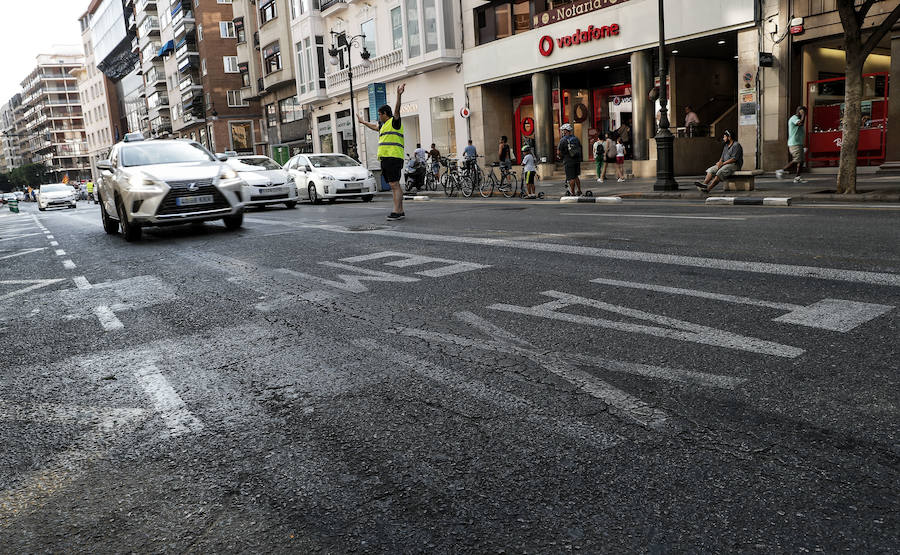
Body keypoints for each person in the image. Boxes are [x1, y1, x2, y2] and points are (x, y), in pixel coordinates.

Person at [357, 83, 407, 221]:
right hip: (386, 158)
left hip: (393, 157)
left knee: (394, 185)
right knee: (394, 185)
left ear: (385, 114)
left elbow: (397, 110)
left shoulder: (394, 122)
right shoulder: (384, 125)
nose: (379, 117)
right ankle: (400, 210)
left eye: (380, 114)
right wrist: (363, 122)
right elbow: (374, 126)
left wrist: (398, 95)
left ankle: (397, 211)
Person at [776, 106, 807, 183]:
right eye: (804, 112)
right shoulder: (794, 118)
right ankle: (781, 170)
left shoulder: (798, 119)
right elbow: (800, 123)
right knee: (797, 160)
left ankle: (797, 178)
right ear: (800, 111)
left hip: (798, 143)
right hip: (794, 144)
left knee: (801, 161)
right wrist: (803, 115)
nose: (805, 114)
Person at [557, 123, 582, 196]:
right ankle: (579, 190)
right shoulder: (576, 138)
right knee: (576, 176)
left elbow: (558, 151)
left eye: (563, 130)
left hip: (568, 160)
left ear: (565, 131)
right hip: (577, 160)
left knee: (571, 178)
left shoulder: (563, 140)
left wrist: (560, 156)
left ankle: (572, 192)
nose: (562, 132)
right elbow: (580, 147)